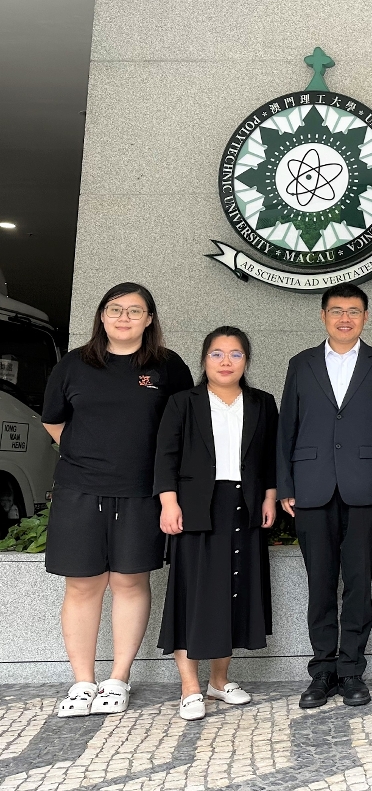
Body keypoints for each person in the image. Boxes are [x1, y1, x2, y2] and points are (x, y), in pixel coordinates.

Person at [41, 283, 194, 718]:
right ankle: (82, 681)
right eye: (115, 309)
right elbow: (53, 421)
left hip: (142, 491)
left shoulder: (167, 367)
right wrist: (88, 454)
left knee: (129, 581)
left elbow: (183, 425)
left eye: (134, 310)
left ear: (149, 319)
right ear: (102, 316)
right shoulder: (74, 364)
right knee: (82, 584)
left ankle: (117, 678)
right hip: (79, 489)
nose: (124, 317)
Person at [276, 283, 372, 709]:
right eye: (337, 311)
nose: (345, 318)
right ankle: (322, 671)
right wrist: (286, 485)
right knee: (320, 584)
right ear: (323, 316)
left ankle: (351, 671)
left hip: (365, 484)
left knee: (359, 583)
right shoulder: (301, 363)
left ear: (366, 317)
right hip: (312, 486)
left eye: (354, 311)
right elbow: (286, 427)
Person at [154, 327, 277, 720]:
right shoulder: (183, 402)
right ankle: (190, 686)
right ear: (204, 359)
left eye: (235, 354)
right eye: (217, 354)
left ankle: (219, 682)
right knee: (192, 594)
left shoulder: (261, 402)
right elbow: (165, 456)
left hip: (245, 505)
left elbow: (270, 457)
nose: (226, 362)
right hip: (195, 507)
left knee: (234, 592)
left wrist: (269, 497)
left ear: (246, 361)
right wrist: (168, 503)